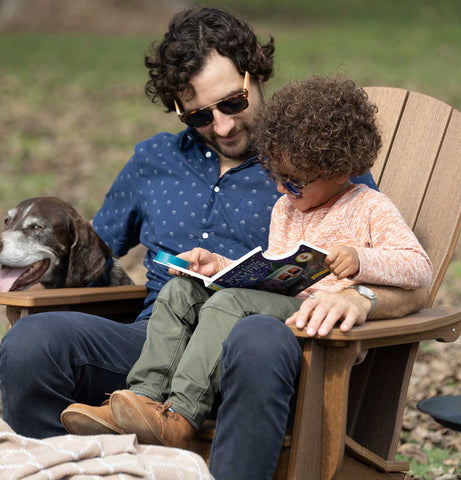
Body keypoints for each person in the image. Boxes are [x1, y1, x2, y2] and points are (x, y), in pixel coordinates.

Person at [0, 7, 427, 478]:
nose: (222, 126)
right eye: (200, 114)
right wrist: (28, 257)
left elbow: (406, 276)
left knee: (255, 334)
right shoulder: (153, 161)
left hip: (258, 355)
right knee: (31, 341)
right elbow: (91, 255)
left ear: (256, 72)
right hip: (156, 343)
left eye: (233, 103)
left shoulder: (307, 162)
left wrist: (363, 298)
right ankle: (79, 467)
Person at [60, 75, 433, 457]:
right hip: (278, 304)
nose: (281, 189)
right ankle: (140, 399)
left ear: (339, 170)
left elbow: (418, 267)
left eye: (295, 181)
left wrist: (361, 261)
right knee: (179, 292)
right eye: (275, 175)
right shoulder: (288, 207)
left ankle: (180, 417)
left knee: (229, 304)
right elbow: (273, 267)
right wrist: (221, 267)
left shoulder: (369, 207)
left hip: (314, 326)